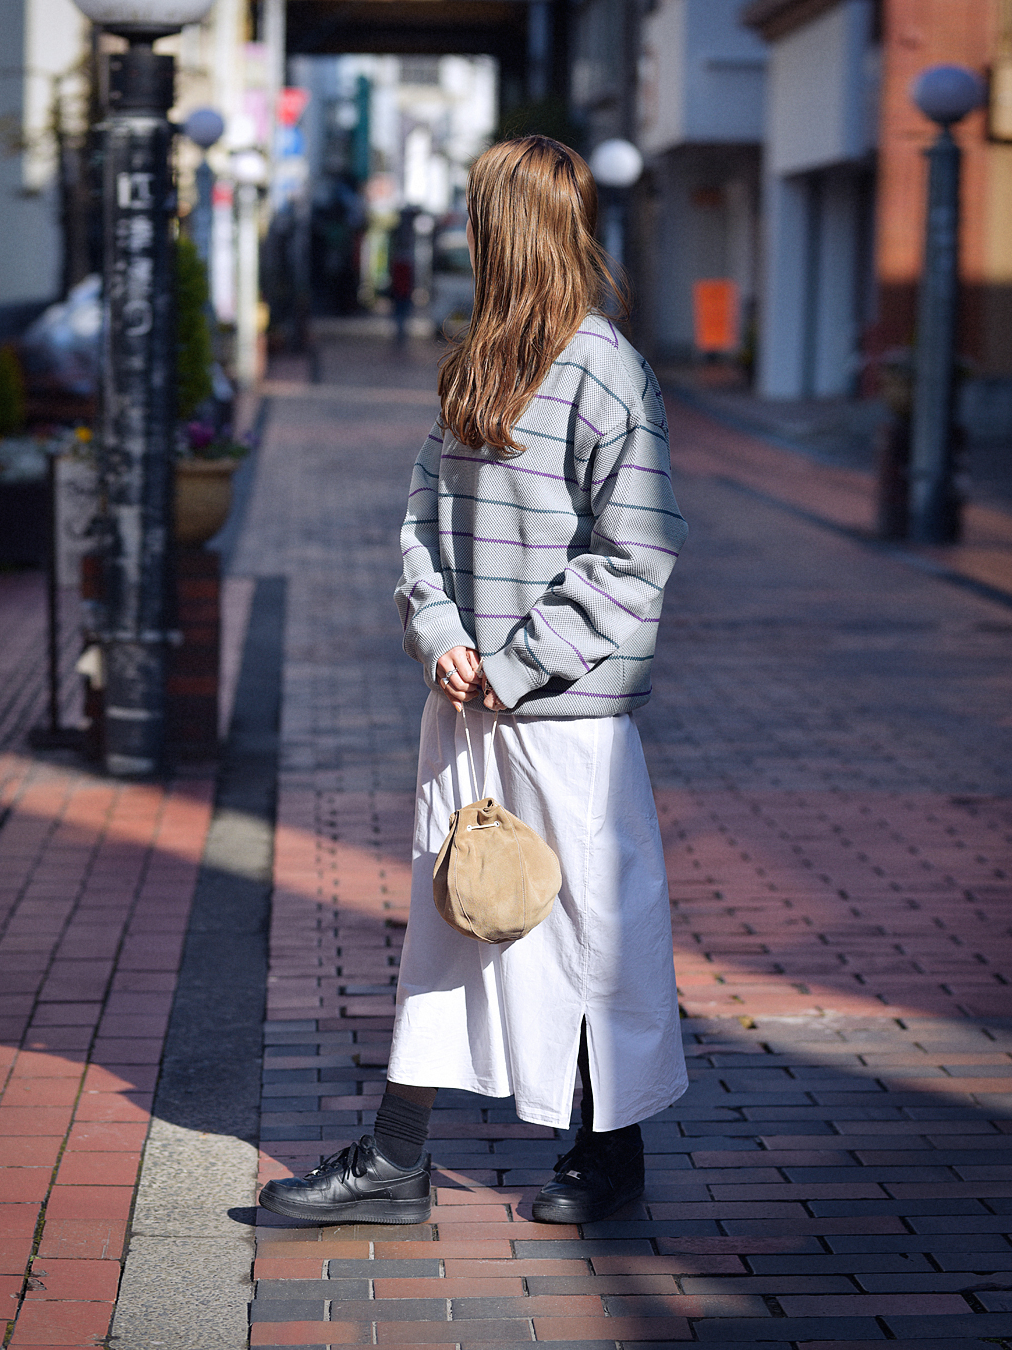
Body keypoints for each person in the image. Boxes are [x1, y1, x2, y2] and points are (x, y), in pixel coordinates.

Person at [259, 135, 689, 1228]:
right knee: (455, 908)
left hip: (567, 714)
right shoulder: (478, 364)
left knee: (593, 924)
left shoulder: (605, 368)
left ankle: (609, 1150)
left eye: (475, 214)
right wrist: (440, 635)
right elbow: (418, 523)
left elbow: (638, 549)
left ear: (513, 228)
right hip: (466, 703)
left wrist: (514, 664)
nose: (463, 229)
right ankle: (398, 1158)